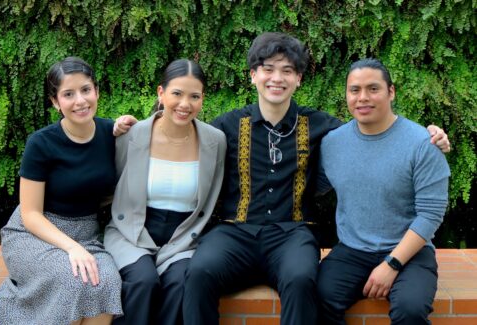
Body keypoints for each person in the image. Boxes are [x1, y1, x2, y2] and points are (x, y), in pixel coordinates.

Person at [113, 33, 450, 325]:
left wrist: (431, 136)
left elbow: (372, 133)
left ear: (299, 79)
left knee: (303, 278)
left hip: (292, 233)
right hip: (235, 230)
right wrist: (126, 127)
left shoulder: (325, 128)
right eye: (268, 69)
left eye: (287, 70)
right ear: (253, 75)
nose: (277, 78)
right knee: (198, 273)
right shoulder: (224, 127)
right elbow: (178, 130)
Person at [316, 58, 451, 324]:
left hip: (410, 253)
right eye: (354, 90)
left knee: (410, 310)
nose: (362, 97)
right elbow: (308, 187)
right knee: (317, 296)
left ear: (391, 92)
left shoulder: (423, 144)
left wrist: (392, 264)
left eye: (373, 89)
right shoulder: (333, 144)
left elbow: (431, 214)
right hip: (352, 250)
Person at [0, 57, 123, 325]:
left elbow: (154, 136)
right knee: (71, 280)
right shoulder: (41, 143)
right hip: (35, 234)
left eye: (86, 89)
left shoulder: (111, 132)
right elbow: (30, 214)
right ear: (55, 102)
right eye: (68, 94)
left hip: (86, 234)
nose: (80, 101)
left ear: (96, 91)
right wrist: (71, 248)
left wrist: (132, 124)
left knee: (106, 279)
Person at [104, 59, 226, 325]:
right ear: (161, 93)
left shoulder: (215, 141)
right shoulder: (132, 135)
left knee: (182, 284)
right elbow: (109, 183)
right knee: (143, 281)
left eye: (194, 96)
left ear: (203, 99)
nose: (185, 104)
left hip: (183, 238)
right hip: (132, 232)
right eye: (177, 94)